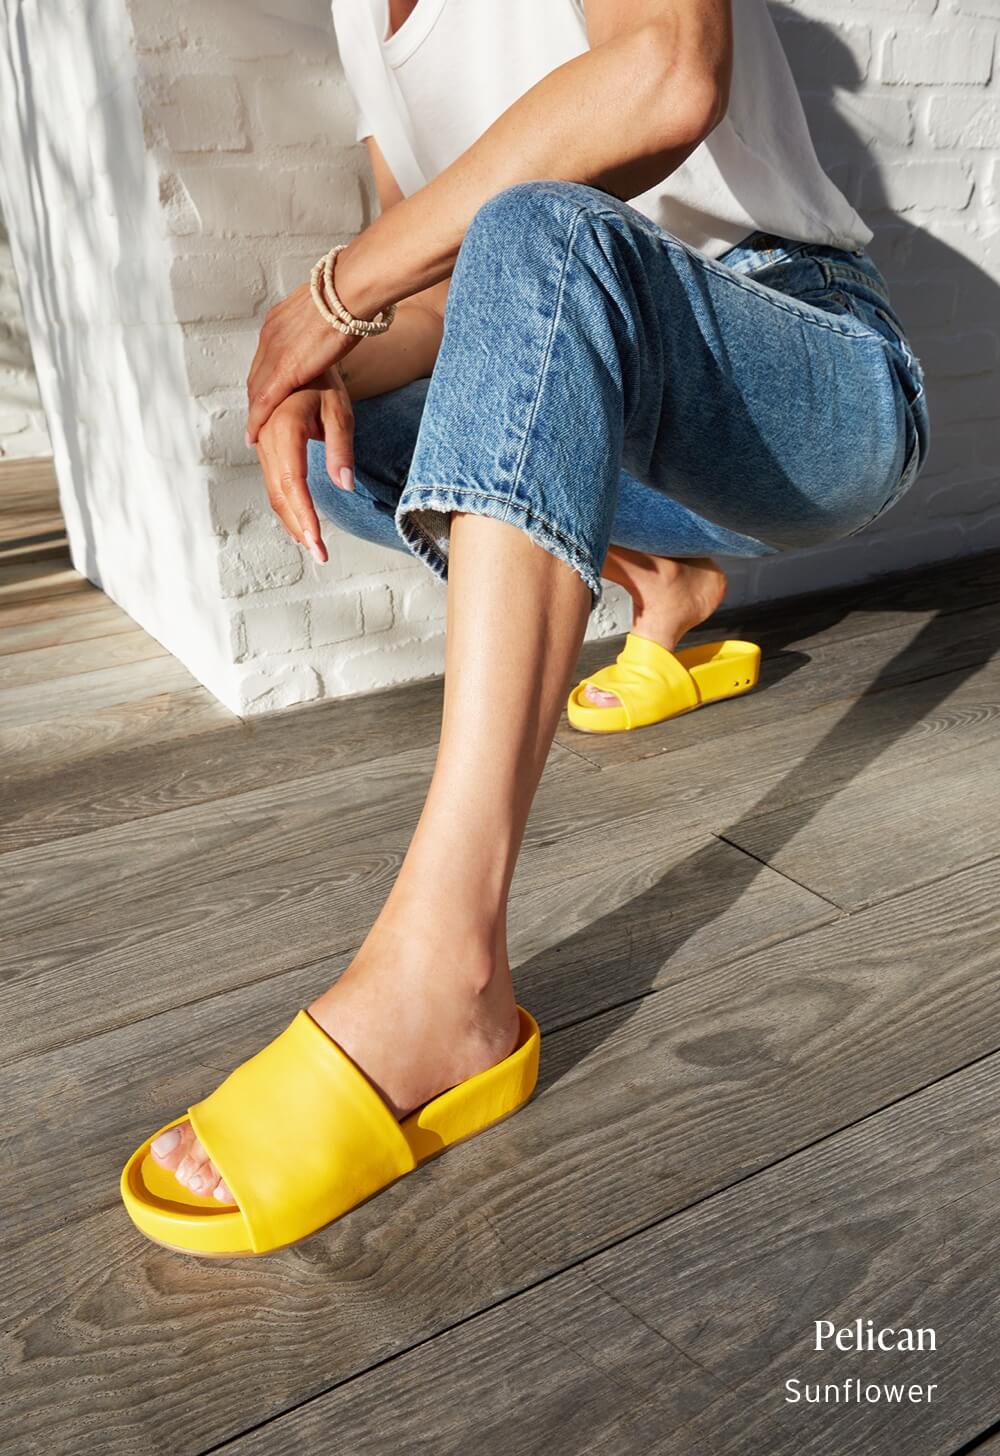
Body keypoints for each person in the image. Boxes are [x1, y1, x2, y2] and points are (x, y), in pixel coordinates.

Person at [120, 0, 929, 1254]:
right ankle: (664, 590)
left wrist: (333, 294)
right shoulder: (360, 26)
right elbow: (453, 305)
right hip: (616, 389)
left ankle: (446, 968)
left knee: (540, 229)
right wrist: (320, 370)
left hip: (809, 372)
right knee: (355, 448)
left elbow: (665, 77)